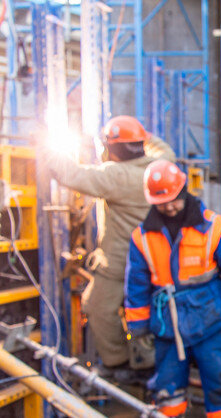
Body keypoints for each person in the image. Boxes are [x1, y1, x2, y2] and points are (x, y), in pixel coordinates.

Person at [40, 115, 175, 377]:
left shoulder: (116, 175)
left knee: (97, 306)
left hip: (120, 262)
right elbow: (162, 147)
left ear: (112, 148)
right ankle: (151, 362)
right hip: (157, 261)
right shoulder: (160, 165)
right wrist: (139, 134)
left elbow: (71, 174)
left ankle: (120, 363)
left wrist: (45, 149)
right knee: (150, 313)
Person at [124, 160, 221, 417]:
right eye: (162, 202)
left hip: (210, 322)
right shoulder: (142, 237)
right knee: (168, 390)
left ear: (184, 192)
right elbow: (136, 284)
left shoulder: (212, 227)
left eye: (174, 200)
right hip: (167, 327)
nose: (169, 207)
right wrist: (138, 326)